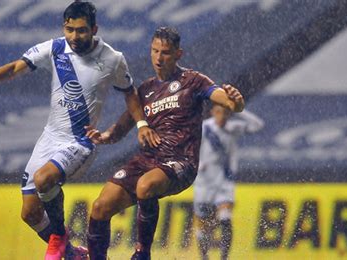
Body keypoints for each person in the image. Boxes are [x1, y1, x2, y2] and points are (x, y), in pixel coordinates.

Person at [0, 2, 156, 260]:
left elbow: (130, 94)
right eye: (69, 29)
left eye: (81, 31)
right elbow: (15, 68)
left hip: (81, 141)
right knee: (30, 213)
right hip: (49, 137)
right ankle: (72, 255)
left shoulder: (112, 58)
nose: (74, 37)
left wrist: (141, 124)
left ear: (94, 29)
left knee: (44, 179)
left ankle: (59, 236)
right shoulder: (55, 48)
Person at [84, 26, 245, 260]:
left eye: (166, 53)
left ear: (178, 54)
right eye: (154, 51)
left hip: (181, 162)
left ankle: (142, 254)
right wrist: (104, 137)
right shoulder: (145, 90)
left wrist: (236, 103)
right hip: (148, 160)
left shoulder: (194, 81)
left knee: (145, 186)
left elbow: (228, 102)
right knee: (100, 207)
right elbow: (120, 129)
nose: (159, 58)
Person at [193, 105, 264, 260]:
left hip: (224, 181)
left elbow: (258, 125)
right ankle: (204, 257)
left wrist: (240, 110)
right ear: (213, 112)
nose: (222, 116)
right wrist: (197, 164)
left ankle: (224, 257)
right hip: (204, 182)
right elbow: (189, 147)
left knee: (225, 218)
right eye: (219, 112)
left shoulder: (233, 128)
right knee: (204, 226)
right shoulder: (205, 128)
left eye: (225, 113)